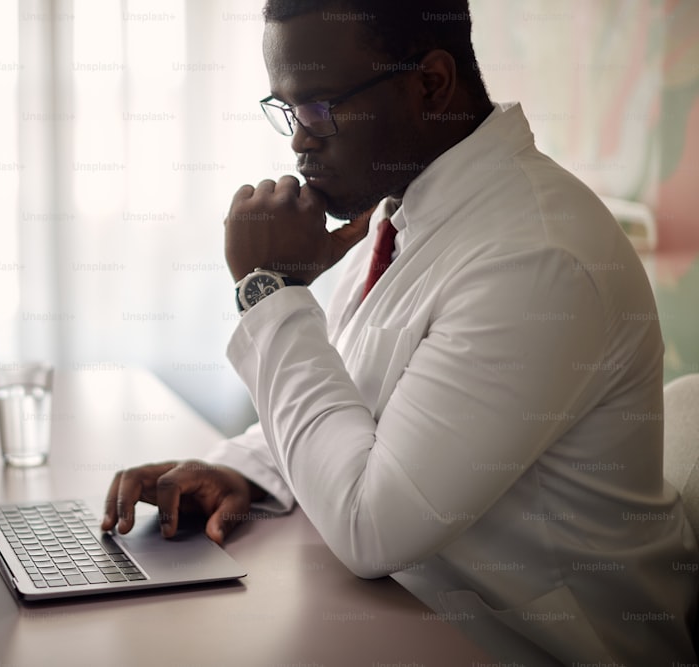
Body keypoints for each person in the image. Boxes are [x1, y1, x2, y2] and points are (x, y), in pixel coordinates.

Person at [101, 1, 699, 663]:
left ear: (431, 85)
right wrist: (241, 468)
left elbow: (368, 524)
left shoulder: (534, 258)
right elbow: (360, 405)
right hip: (405, 617)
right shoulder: (400, 209)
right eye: (288, 108)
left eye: (321, 105)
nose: (299, 139)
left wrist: (268, 291)